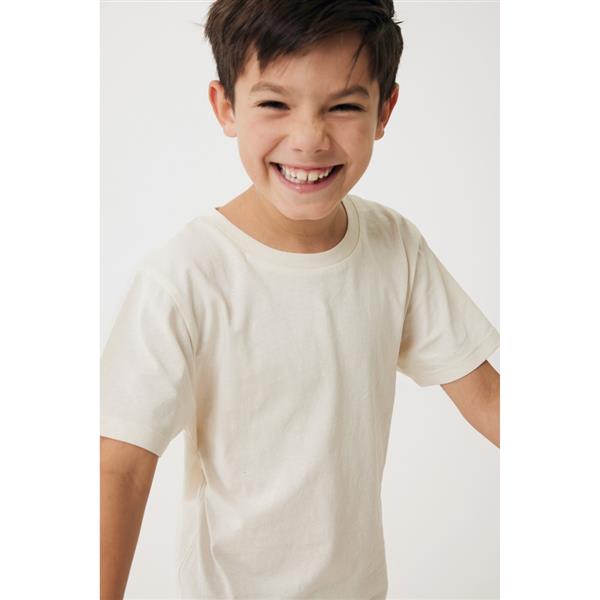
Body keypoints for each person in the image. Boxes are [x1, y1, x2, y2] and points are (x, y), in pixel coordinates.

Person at [100, 1, 500, 598]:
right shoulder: (185, 276)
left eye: (344, 106)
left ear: (385, 110)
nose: (309, 138)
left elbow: (489, 398)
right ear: (225, 106)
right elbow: (121, 467)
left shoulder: (394, 247)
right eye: (274, 104)